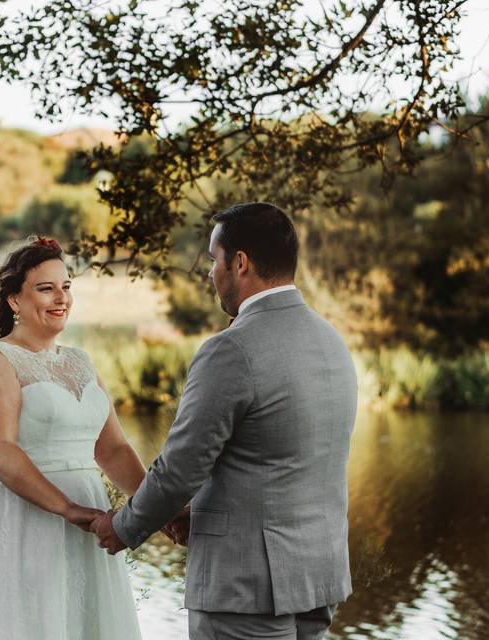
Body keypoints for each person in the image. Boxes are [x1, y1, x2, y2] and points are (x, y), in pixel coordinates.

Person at [92, 202, 358, 640]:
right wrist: (199, 512)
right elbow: (280, 460)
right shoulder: (331, 341)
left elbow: (180, 468)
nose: (211, 273)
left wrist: (123, 527)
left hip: (246, 586)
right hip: (317, 577)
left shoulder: (231, 350)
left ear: (240, 263)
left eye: (214, 260)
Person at [0, 236, 178, 640]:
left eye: (66, 287)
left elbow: (111, 449)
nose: (61, 298)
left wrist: (156, 509)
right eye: (46, 288)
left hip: (89, 523)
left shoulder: (80, 361)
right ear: (13, 300)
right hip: (24, 519)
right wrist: (68, 509)